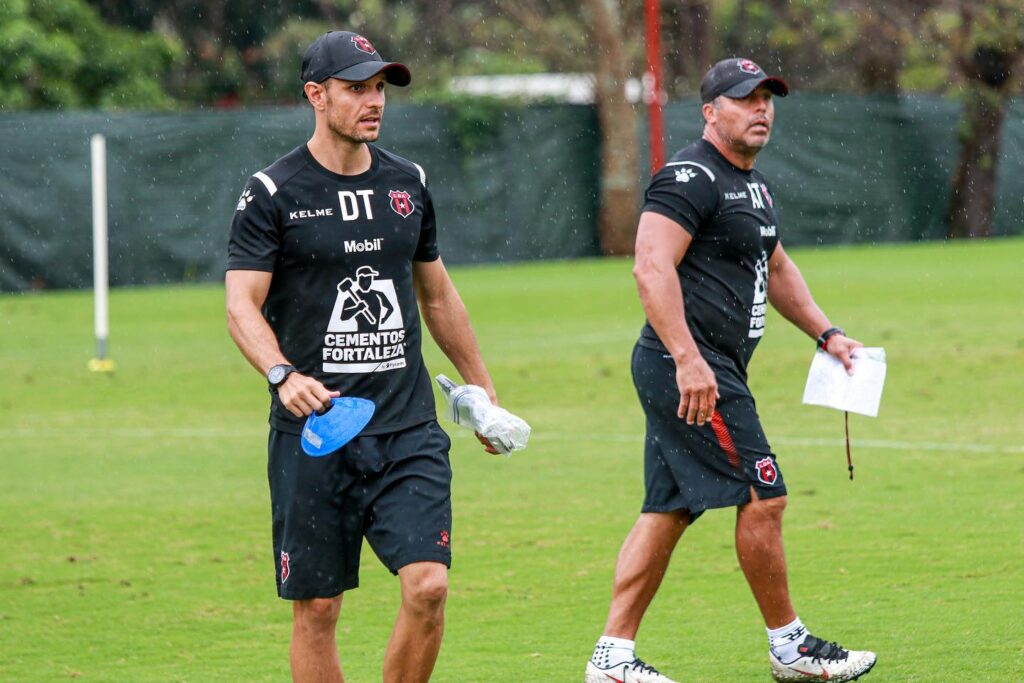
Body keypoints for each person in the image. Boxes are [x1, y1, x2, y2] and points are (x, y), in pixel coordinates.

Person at [584, 58, 877, 683]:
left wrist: (826, 334)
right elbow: (650, 267)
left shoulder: (754, 185)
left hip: (707, 368)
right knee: (764, 494)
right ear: (711, 111)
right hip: (690, 368)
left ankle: (612, 659)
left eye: (767, 98)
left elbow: (779, 268)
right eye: (745, 99)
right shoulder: (689, 177)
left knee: (666, 510)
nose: (761, 109)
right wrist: (690, 361)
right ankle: (790, 647)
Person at [226, 30, 500, 683]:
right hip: (315, 435)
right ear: (315, 95)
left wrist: (482, 391)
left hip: (406, 429)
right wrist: (281, 373)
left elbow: (437, 296)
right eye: (356, 88)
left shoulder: (408, 182)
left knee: (429, 586)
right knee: (317, 608)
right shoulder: (272, 192)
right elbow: (242, 305)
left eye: (379, 87)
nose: (373, 100)